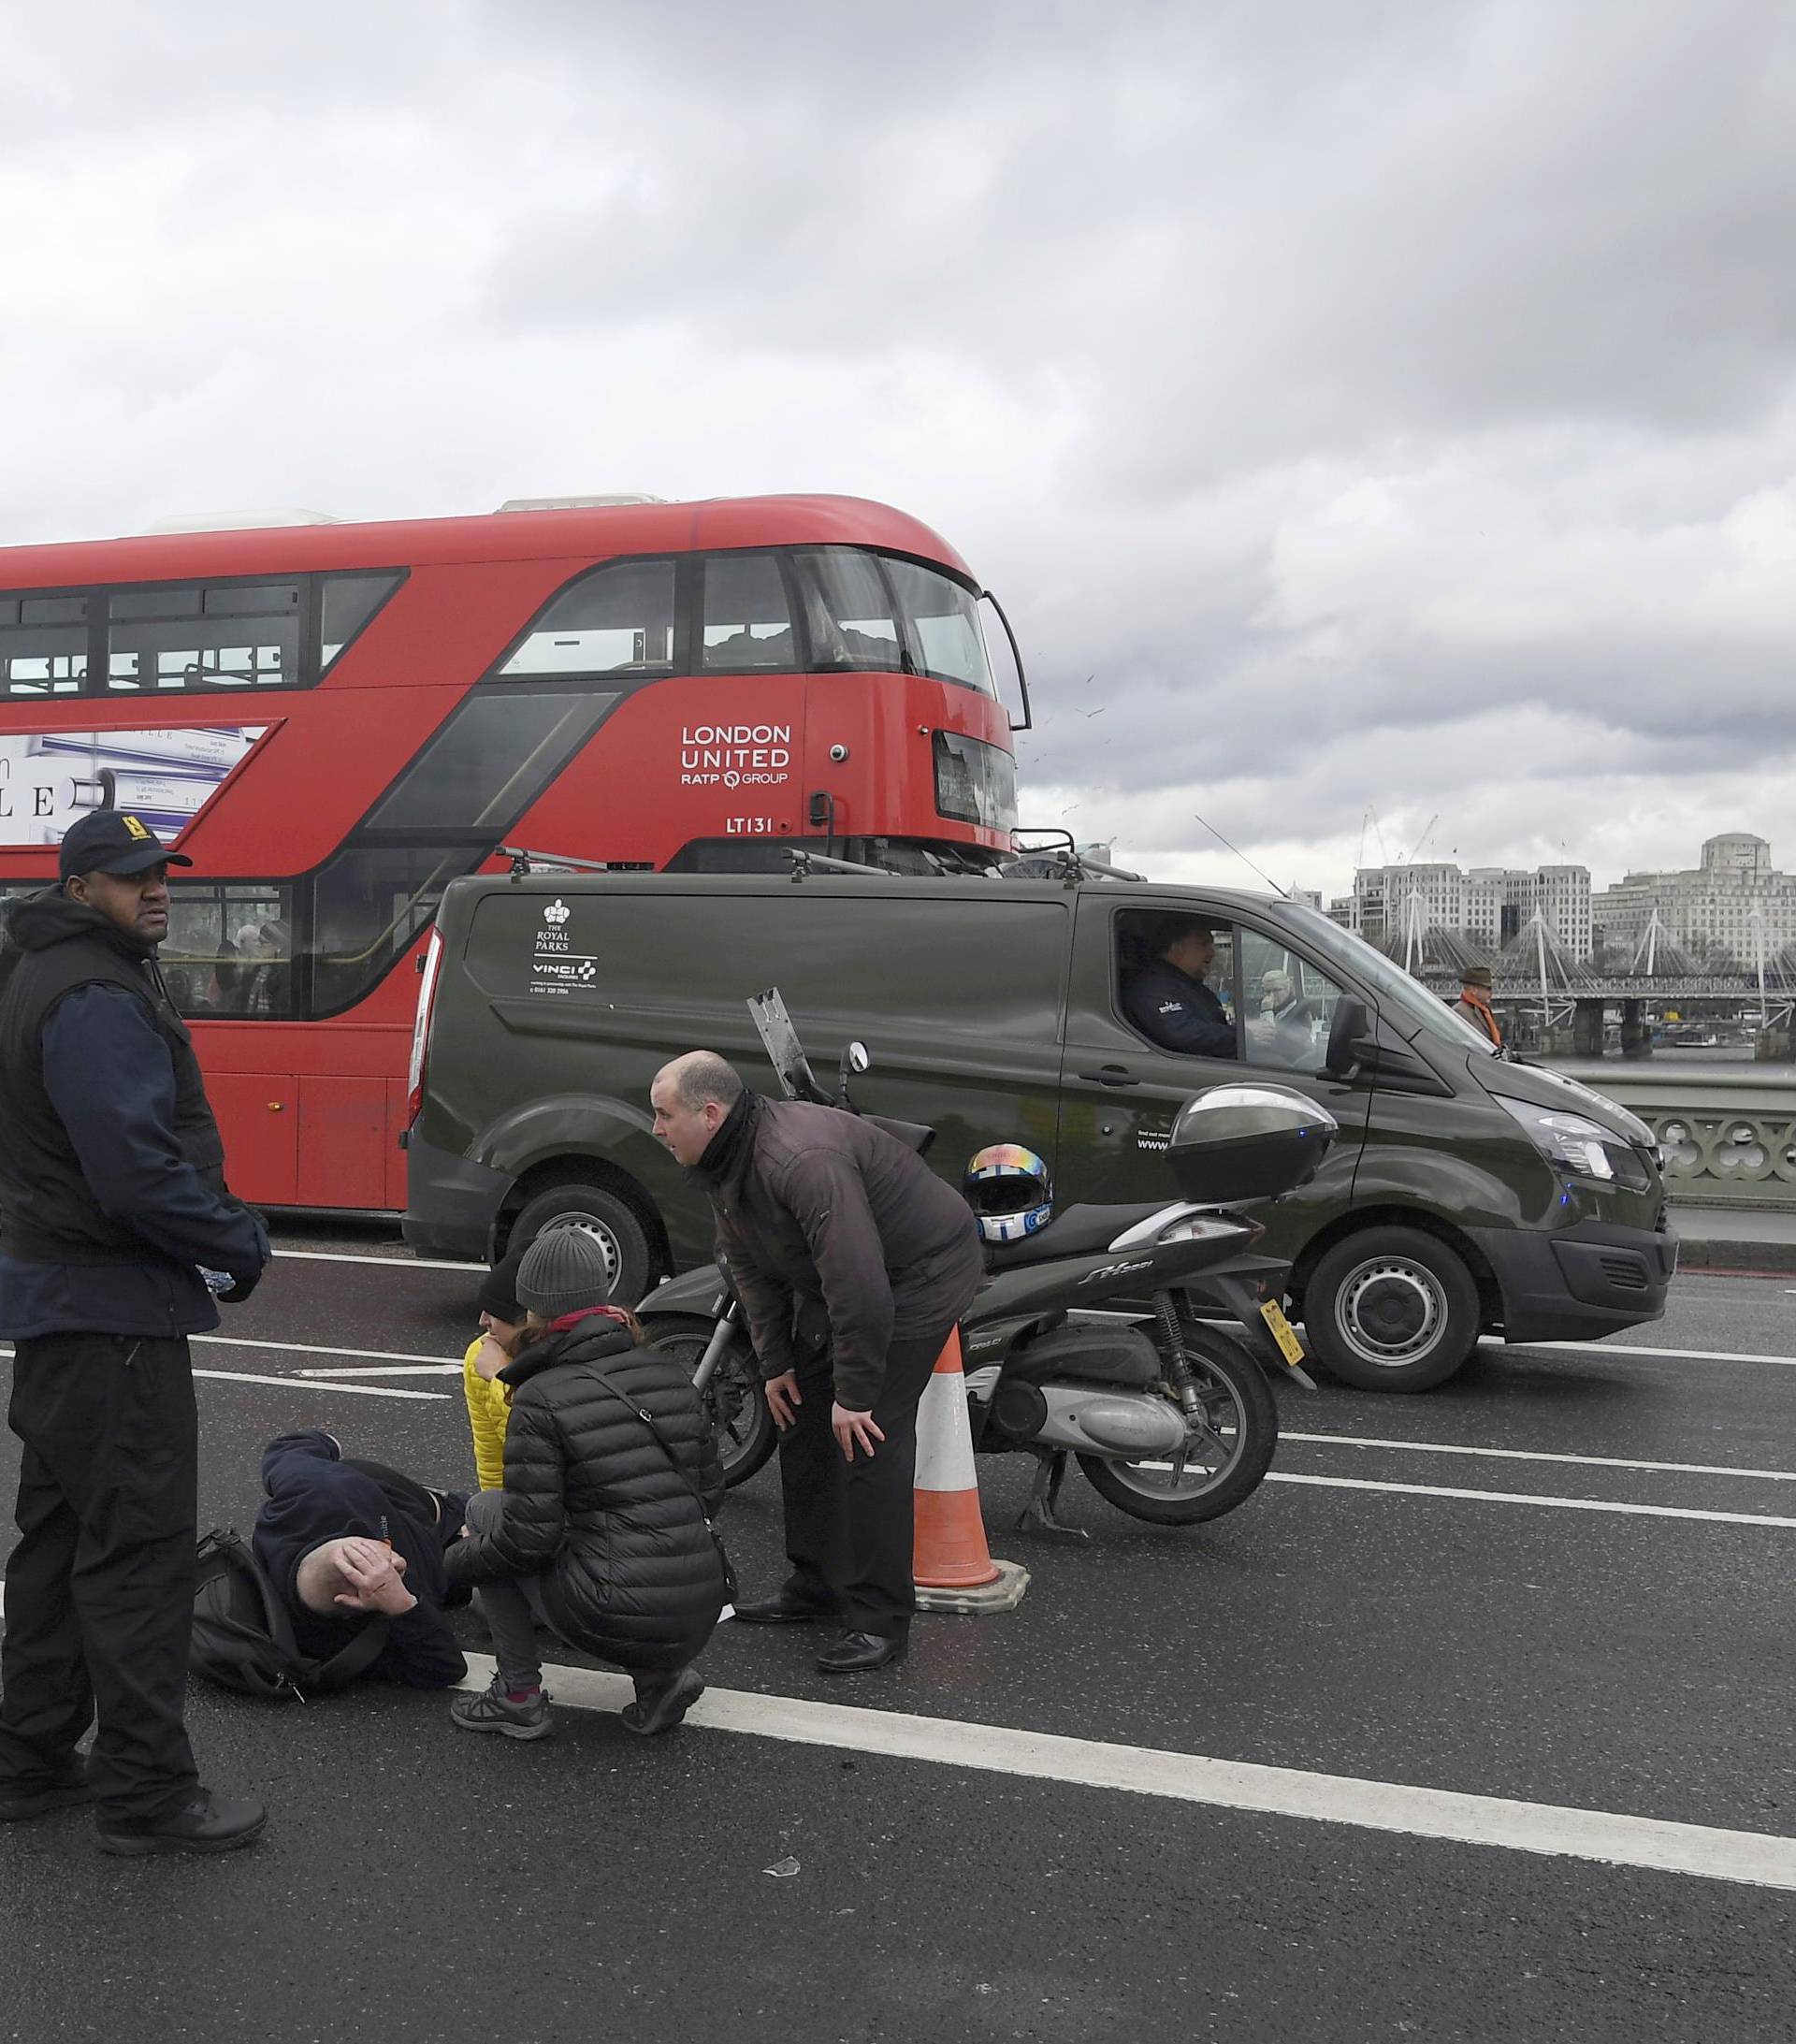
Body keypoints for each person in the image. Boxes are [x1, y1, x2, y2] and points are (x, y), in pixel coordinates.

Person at [0, 810, 270, 1855]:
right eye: (130, 878)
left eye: (161, 873)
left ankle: (26, 1758)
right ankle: (149, 1794)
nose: (156, 889)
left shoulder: (44, 970)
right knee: (141, 1556)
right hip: (114, 1316)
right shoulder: (97, 996)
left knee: (60, 1544)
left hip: (61, 1312)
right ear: (79, 889)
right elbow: (133, 1173)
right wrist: (238, 1240)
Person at [650, 1050, 984, 1675]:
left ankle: (881, 1620)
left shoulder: (799, 1160)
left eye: (664, 1114)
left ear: (710, 1112)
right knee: (799, 1409)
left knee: (868, 1435)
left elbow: (861, 1290)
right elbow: (747, 1264)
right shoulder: (723, 1158)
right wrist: (777, 1363)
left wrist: (856, 1394)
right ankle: (818, 1584)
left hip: (919, 1272)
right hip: (842, 1277)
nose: (656, 1128)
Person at [444, 1225, 726, 1739]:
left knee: (488, 1516)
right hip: (702, 1604)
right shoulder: (666, 1372)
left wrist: (453, 1563)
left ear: (530, 1309)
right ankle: (660, 1679)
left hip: (613, 1611)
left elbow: (525, 1541)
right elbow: (709, 1493)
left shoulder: (541, 1396)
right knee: (629, 1538)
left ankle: (518, 1696)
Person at [253, 1430, 468, 1689]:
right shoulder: (327, 1642)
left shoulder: (313, 1490)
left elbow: (287, 1448)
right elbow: (446, 1668)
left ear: (346, 1540)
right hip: (453, 1559)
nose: (400, 1563)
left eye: (381, 1553)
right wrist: (402, 1604)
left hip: (431, 1509)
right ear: (357, 1603)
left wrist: (328, 1443)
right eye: (392, 1573)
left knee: (353, 1476)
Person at [1121, 916, 1237, 1057]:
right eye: (1203, 944)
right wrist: (1244, 1036)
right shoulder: (1152, 988)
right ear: (1175, 947)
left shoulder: (1189, 986)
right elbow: (1184, 1034)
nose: (1212, 953)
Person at [463, 1246, 528, 1493]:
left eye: (494, 1312)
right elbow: (493, 1465)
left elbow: (539, 1447)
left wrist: (501, 1377)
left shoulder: (567, 1363)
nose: (482, 1321)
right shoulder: (478, 1357)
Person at [1453, 965, 1504, 1047]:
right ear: (1474, 990)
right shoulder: (1461, 1012)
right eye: (1488, 988)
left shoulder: (1484, 1011)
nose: (1491, 992)